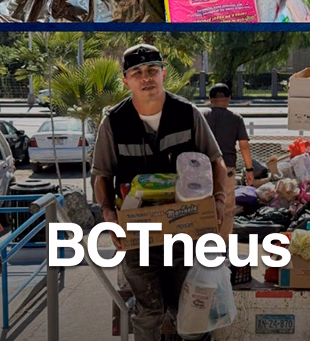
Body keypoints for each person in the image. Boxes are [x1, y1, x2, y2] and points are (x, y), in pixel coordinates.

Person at [90, 44, 229, 341]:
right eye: (137, 72)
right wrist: (107, 213)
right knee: (149, 312)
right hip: (138, 236)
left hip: (186, 231)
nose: (146, 77)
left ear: (163, 73)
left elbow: (216, 160)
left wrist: (219, 199)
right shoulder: (114, 121)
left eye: (152, 70)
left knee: (191, 308)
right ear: (126, 80)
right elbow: (101, 174)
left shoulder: (187, 113)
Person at [203, 83, 253, 238]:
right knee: (226, 208)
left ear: (210, 99)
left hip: (202, 170)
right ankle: (223, 246)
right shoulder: (236, 119)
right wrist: (249, 170)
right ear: (229, 99)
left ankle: (201, 243)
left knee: (204, 207)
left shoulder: (200, 117)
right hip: (227, 171)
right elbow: (244, 146)